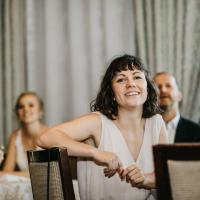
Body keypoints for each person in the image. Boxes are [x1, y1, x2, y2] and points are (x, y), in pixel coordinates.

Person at [37, 55, 167, 200]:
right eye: (121, 79)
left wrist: (145, 180)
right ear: (112, 94)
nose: (131, 84)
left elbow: (165, 177)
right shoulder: (97, 122)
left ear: (147, 89)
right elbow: (45, 138)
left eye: (137, 77)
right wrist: (95, 153)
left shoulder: (157, 123)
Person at [0, 91, 48, 177]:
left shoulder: (50, 134)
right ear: (17, 113)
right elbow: (6, 172)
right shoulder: (15, 136)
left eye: (31, 105)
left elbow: (48, 173)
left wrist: (13, 175)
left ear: (40, 111)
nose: (25, 109)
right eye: (21, 106)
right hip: (24, 187)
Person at [153, 72, 200, 143]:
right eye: (158, 87)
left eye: (168, 86)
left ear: (179, 95)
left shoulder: (197, 131)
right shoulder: (142, 130)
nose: (163, 90)